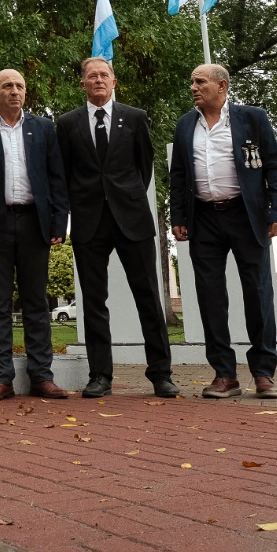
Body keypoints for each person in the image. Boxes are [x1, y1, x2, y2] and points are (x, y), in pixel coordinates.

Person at [56, 58, 176, 399]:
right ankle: (99, 376)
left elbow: (144, 166)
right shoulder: (67, 123)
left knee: (148, 297)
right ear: (82, 83)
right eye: (91, 76)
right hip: (88, 221)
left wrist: (125, 196)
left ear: (114, 81)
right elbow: (64, 173)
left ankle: (161, 374)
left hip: (132, 219)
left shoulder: (135, 117)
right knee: (94, 301)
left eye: (103, 75)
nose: (98, 80)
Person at [169, 64, 277, 400]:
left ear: (221, 86)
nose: (193, 87)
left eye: (200, 82)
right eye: (192, 82)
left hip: (246, 216)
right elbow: (178, 175)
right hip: (203, 218)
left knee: (258, 293)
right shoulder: (185, 125)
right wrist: (178, 216)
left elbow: (275, 167)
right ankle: (224, 374)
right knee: (210, 297)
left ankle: (263, 373)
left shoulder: (252, 118)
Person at [0, 69, 71, 402]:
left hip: (35, 223)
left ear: (25, 92)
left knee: (36, 303)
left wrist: (59, 223)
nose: (15, 91)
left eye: (20, 86)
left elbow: (56, 179)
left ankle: (42, 376)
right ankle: (1, 378)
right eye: (7, 86)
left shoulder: (43, 128)